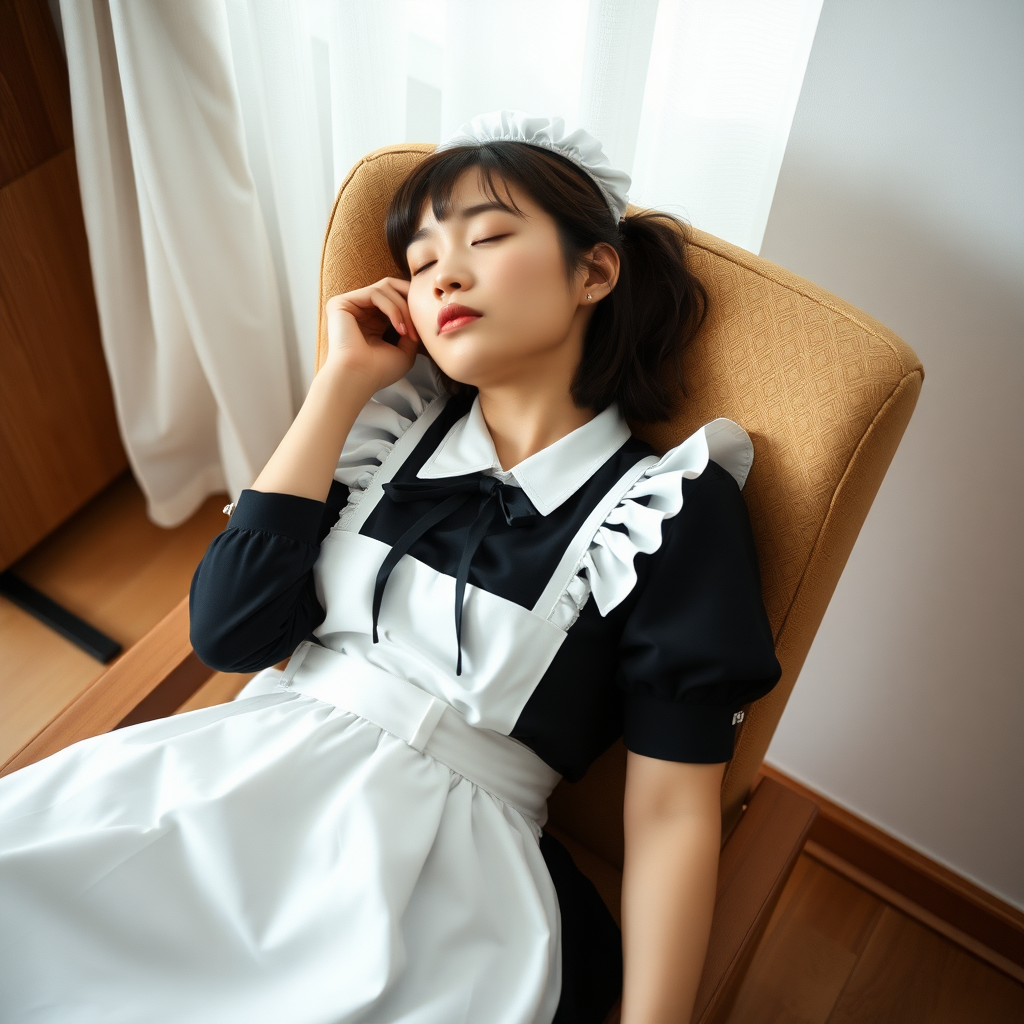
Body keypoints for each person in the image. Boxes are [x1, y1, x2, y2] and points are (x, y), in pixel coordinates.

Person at [0, 110, 780, 1024]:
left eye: (488, 237)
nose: (443, 270)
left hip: (445, 882)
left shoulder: (669, 510)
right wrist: (337, 384)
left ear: (594, 271)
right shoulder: (384, 435)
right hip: (235, 785)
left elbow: (669, 813)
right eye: (418, 262)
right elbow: (231, 633)